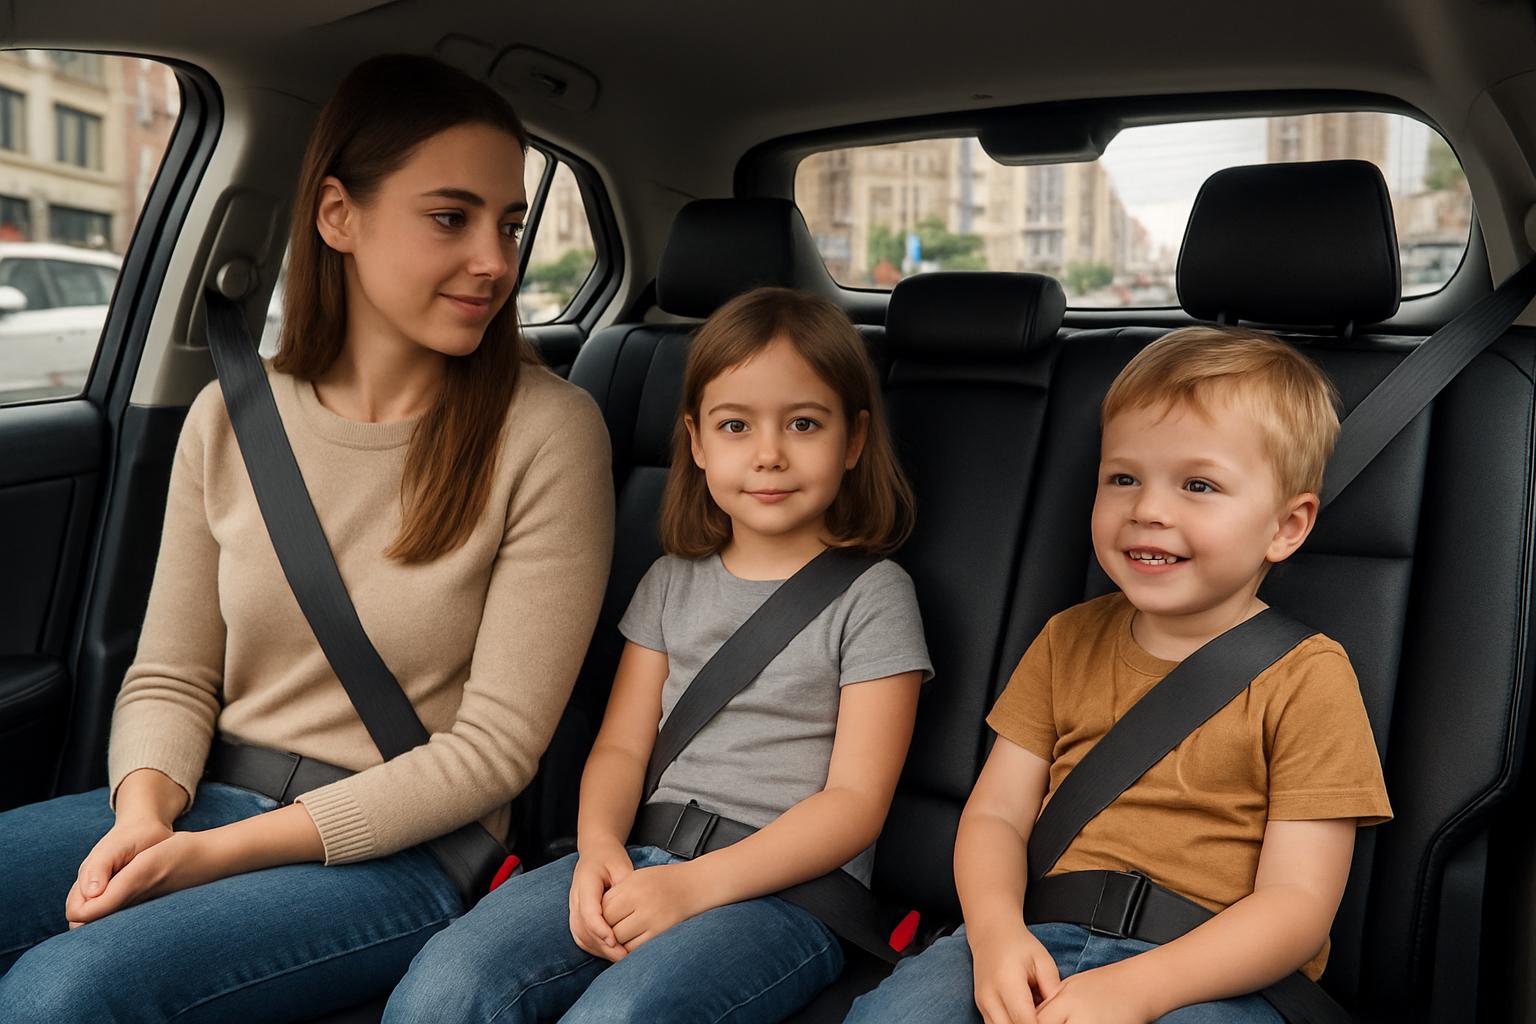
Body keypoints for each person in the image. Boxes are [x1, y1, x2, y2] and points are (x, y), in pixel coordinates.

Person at [0, 53, 613, 1022]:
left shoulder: (549, 429)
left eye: (508, 224)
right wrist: (145, 814)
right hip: (204, 797)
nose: (496, 260)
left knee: (61, 991)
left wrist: (215, 853)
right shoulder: (227, 417)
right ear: (338, 216)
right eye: (451, 218)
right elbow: (169, 672)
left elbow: (495, 751)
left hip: (405, 852)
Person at [384, 286, 934, 1023]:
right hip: (636, 856)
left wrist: (694, 887)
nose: (769, 454)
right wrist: (598, 849)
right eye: (736, 425)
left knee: (622, 1015)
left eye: (804, 424)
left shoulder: (874, 595)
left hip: (785, 895)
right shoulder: (671, 580)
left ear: (854, 441)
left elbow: (853, 806)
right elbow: (619, 747)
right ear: (698, 442)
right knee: (445, 987)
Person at [847, 326, 1392, 1023]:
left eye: (1199, 485)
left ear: (1286, 527)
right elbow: (996, 816)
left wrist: (1140, 988)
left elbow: (1296, 906)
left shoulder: (1307, 677)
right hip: (1035, 932)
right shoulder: (1066, 641)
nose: (1149, 510)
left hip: (1209, 972)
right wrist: (995, 934)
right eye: (1123, 478)